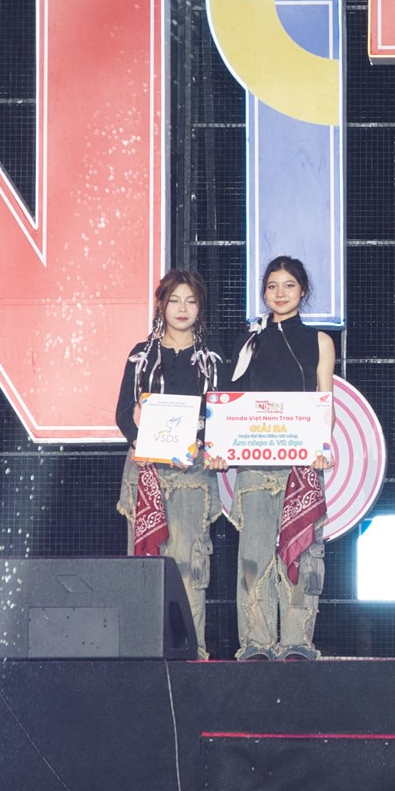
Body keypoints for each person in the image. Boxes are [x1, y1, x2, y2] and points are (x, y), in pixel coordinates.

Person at [208, 256, 336, 661]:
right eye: (272, 286)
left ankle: (298, 640)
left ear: (303, 291)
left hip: (301, 466)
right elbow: (232, 402)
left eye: (289, 285)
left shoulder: (320, 341)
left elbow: (325, 399)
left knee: (304, 553)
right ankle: (256, 642)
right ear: (264, 293)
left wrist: (323, 446)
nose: (280, 293)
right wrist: (219, 448)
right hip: (255, 467)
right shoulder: (249, 341)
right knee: (254, 554)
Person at [115, 268, 226, 659]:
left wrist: (210, 446)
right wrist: (140, 441)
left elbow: (221, 416)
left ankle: (191, 651)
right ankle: (143, 649)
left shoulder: (212, 360)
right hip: (147, 471)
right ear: (161, 305)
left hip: (193, 473)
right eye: (174, 300)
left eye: (190, 301)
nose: (182, 309)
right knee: (145, 561)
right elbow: (122, 414)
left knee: (190, 563)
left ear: (200, 308)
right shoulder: (141, 356)